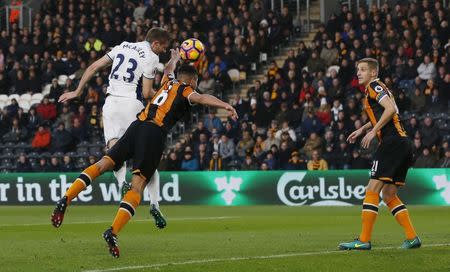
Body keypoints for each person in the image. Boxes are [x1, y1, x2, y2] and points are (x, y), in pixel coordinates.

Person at [51, 50, 238, 258]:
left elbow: (168, 70)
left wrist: (174, 59)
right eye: (196, 81)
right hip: (154, 133)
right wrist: (225, 104)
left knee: (104, 163)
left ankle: (66, 198)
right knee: (138, 185)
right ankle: (112, 231)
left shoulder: (168, 81)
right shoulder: (186, 90)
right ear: (193, 80)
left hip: (136, 125)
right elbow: (202, 97)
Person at [58, 27, 169, 229]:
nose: (162, 51)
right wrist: (163, 95)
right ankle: (155, 204)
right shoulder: (151, 57)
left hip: (110, 105)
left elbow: (92, 67)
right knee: (147, 157)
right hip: (131, 104)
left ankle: (121, 184)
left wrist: (77, 91)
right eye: (163, 48)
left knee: (113, 150)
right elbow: (145, 92)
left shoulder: (122, 46)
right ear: (155, 44)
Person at [339, 58, 420, 250]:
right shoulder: (379, 89)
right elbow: (390, 110)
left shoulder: (374, 86)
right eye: (358, 69)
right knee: (389, 194)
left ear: (373, 73)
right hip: (403, 143)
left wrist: (373, 131)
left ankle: (364, 240)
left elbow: (391, 110)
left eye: (363, 69)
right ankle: (412, 237)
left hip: (392, 143)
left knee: (372, 189)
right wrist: (362, 129)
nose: (358, 73)